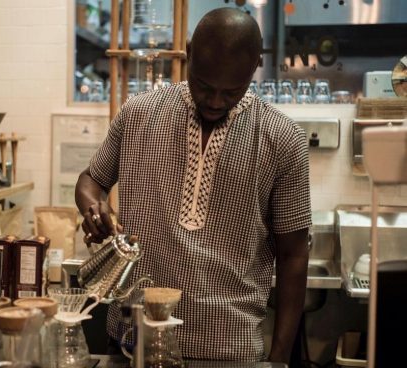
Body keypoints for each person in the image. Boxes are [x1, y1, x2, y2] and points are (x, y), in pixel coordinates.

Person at [75, 7, 311, 364]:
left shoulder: (282, 137)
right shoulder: (138, 113)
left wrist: (279, 359)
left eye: (232, 91)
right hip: (133, 342)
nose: (216, 101)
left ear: (254, 68)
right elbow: (91, 180)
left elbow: (294, 255)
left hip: (231, 351)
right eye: (204, 85)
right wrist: (94, 207)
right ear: (188, 53)